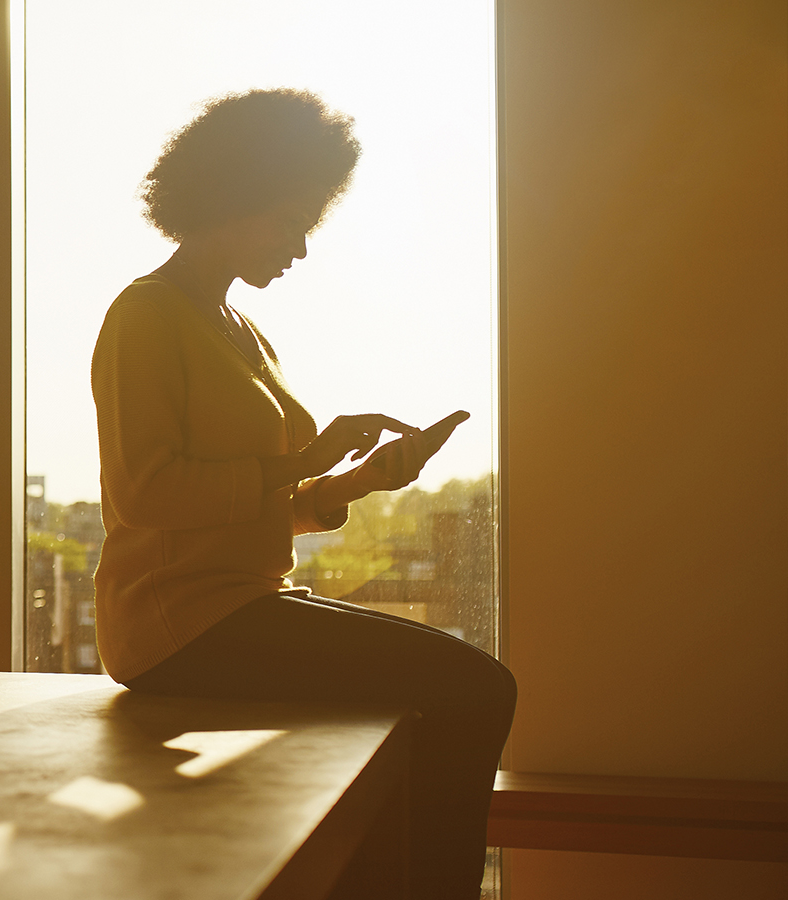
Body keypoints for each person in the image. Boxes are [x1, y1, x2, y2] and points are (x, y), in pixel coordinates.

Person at [91, 88, 516, 900]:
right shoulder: (143, 317)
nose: (302, 248)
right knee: (476, 687)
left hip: (242, 600)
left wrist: (359, 479)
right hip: (174, 621)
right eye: (291, 222)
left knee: (444, 697)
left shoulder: (242, 329)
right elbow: (147, 494)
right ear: (232, 201)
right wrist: (304, 461)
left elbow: (257, 507)